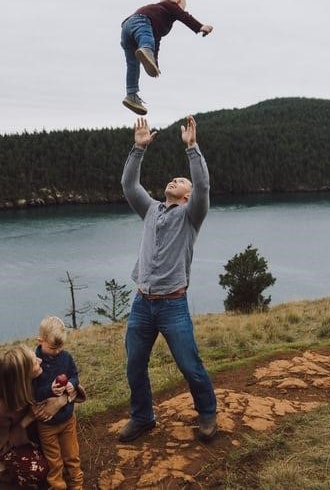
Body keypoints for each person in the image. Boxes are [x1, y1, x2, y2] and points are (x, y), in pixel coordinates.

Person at [119, 115, 217, 443]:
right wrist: (138, 148)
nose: (176, 179)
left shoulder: (192, 216)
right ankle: (143, 417)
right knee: (134, 366)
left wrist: (192, 149)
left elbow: (202, 185)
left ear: (188, 197)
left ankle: (207, 414)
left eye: (181, 181)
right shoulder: (150, 209)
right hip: (142, 303)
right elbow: (129, 185)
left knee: (190, 365)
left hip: (173, 304)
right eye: (175, 178)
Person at [0, 344, 69, 487]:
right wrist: (29, 418)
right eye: (35, 363)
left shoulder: (35, 376)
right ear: (23, 376)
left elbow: (72, 385)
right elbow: (2, 444)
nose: (40, 361)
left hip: (27, 427)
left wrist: (61, 401)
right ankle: (1, 462)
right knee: (41, 472)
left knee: (62, 453)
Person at [121, 0, 213, 115]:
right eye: (181, 8)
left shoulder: (159, 16)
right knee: (147, 38)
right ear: (179, 2)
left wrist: (154, 63)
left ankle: (131, 94)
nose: (180, 12)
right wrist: (199, 26)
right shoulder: (170, 5)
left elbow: (156, 42)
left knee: (132, 65)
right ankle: (146, 49)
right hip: (141, 21)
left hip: (126, 30)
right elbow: (185, 17)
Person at [33, 316, 84, 490]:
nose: (57, 351)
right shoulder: (34, 363)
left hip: (68, 418)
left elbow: (74, 375)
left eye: (60, 347)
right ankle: (58, 486)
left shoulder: (66, 357)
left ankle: (77, 483)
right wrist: (49, 390)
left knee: (72, 455)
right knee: (54, 461)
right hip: (46, 425)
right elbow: (33, 393)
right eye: (53, 347)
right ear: (41, 341)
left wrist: (72, 383)